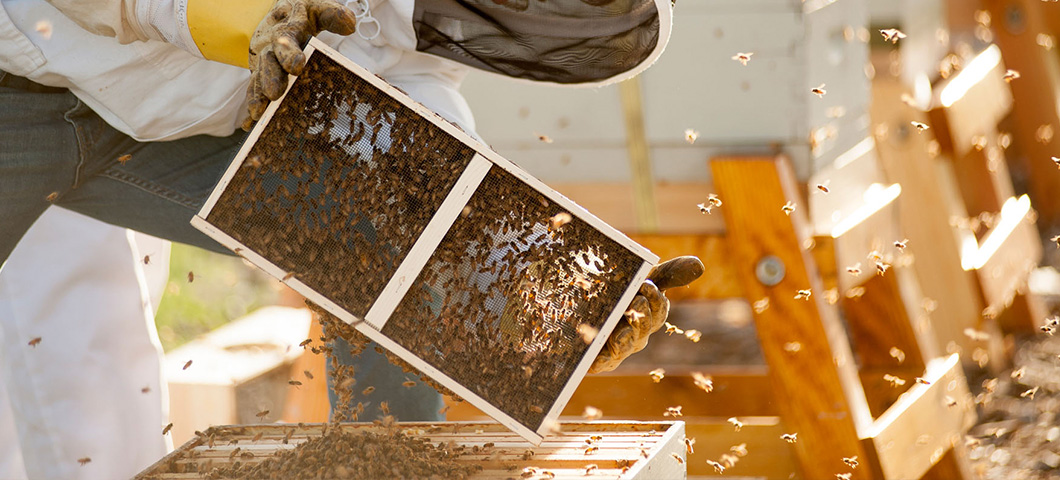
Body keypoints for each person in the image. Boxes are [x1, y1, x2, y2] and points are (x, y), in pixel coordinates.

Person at [1, 0, 700, 476]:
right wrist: (221, 14)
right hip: (18, 92)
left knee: (388, 248)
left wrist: (537, 292)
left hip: (180, 127)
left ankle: (385, 457)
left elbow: (410, 99)